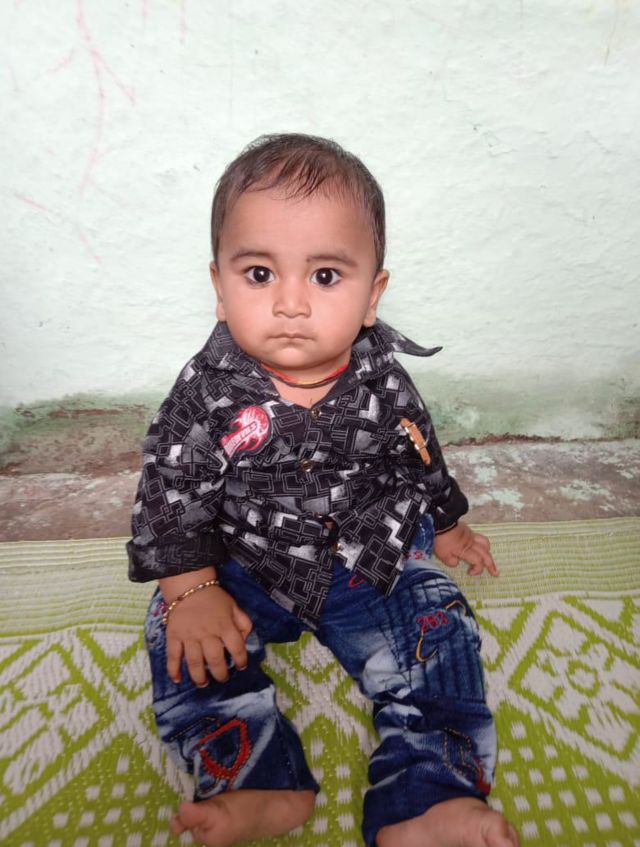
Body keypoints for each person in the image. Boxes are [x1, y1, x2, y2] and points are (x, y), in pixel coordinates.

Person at [127, 133, 520, 847]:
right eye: (259, 273)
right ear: (218, 286)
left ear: (373, 295)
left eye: (326, 276)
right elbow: (170, 487)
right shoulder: (206, 392)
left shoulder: (385, 381)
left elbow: (419, 453)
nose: (290, 303)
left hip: (370, 560)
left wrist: (448, 522)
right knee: (175, 630)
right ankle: (255, 778)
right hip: (247, 565)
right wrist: (192, 588)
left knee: (442, 626)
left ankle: (427, 796)